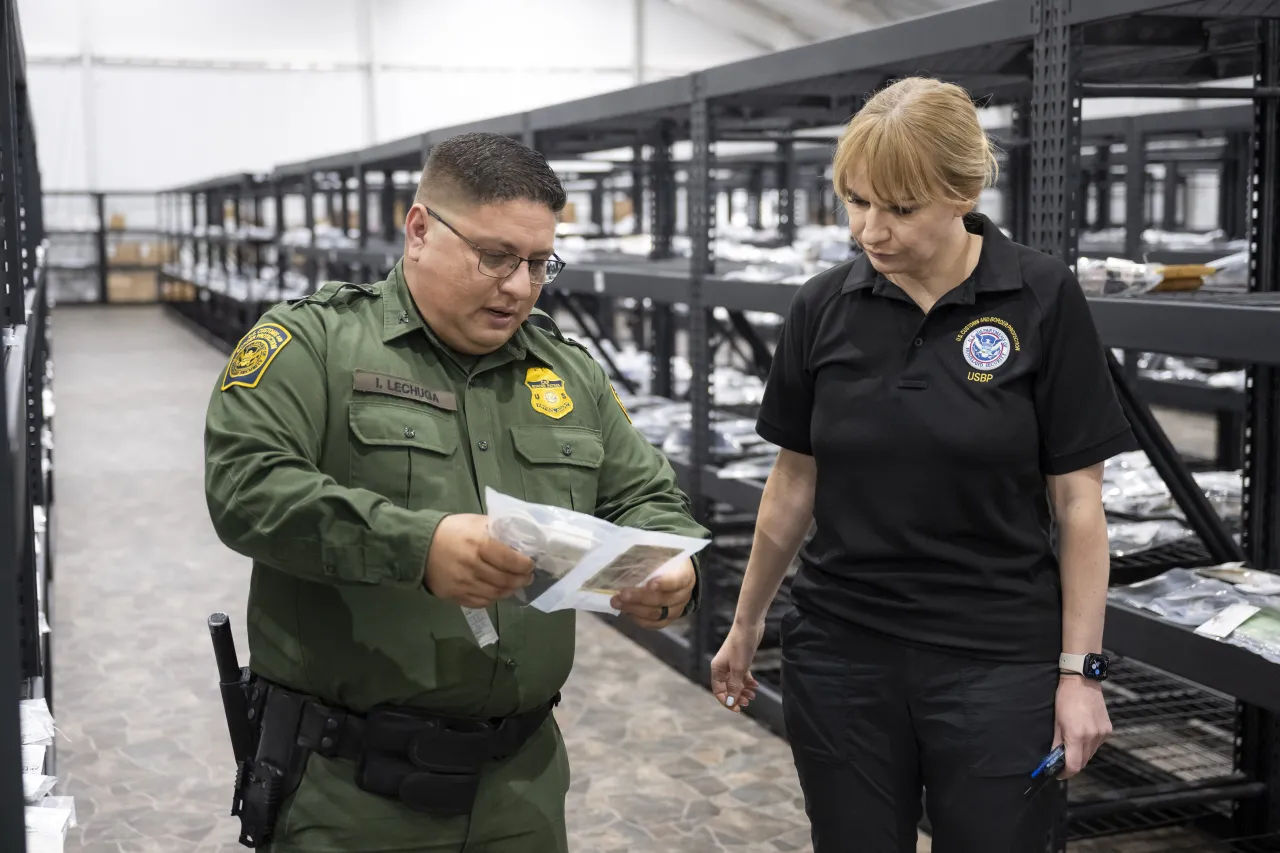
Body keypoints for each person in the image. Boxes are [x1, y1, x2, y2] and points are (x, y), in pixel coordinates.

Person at [204, 131, 708, 853]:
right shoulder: (311, 345)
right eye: (495, 256)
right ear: (419, 230)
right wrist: (419, 546)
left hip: (522, 788)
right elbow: (244, 485)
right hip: (351, 795)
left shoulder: (568, 373)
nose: (519, 286)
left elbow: (647, 497)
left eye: (539, 263)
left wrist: (670, 572)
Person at [709, 76, 1138, 852]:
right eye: (855, 202)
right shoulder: (821, 307)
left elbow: (1079, 507)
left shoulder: (1040, 298)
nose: (870, 230)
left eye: (900, 208)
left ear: (964, 192)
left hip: (997, 661)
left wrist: (1081, 673)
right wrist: (746, 623)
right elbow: (793, 482)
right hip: (842, 655)